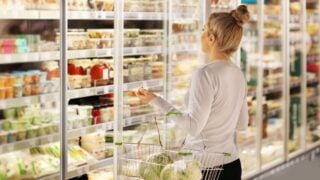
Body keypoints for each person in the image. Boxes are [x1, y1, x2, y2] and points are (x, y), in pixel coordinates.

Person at [136, 5, 250, 180]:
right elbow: (242, 124)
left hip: (206, 169)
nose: (201, 35)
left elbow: (193, 127)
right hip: (232, 165)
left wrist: (156, 100)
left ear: (211, 38)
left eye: (203, 30)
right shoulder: (238, 73)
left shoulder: (205, 74)